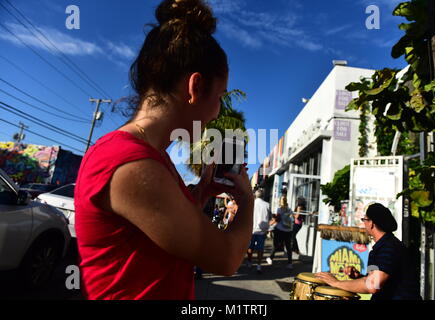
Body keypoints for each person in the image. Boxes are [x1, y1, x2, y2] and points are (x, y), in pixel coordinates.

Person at [74, 0, 254, 300]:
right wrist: (247, 200)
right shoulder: (131, 164)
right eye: (219, 96)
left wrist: (199, 195)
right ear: (195, 87)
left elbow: (161, 237)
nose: (217, 111)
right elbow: (226, 259)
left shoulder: (150, 159)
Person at [316, 203, 421, 300]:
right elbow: (374, 279)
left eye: (364, 219)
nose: (363, 224)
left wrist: (336, 283)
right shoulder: (379, 248)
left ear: (371, 223)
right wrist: (359, 277)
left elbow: (373, 285)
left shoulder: (389, 248)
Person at [246, 189, 271, 273]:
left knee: (250, 247)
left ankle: (249, 262)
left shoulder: (251, 204)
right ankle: (259, 265)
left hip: (251, 229)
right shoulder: (267, 205)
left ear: (255, 195)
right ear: (263, 195)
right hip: (262, 230)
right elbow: (269, 217)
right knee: (260, 248)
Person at [266, 195, 294, 269]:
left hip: (280, 229)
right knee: (288, 247)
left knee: (276, 244)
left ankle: (270, 258)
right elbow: (292, 218)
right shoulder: (289, 209)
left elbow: (277, 219)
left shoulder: (279, 209)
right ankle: (290, 263)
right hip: (289, 230)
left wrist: (271, 220)